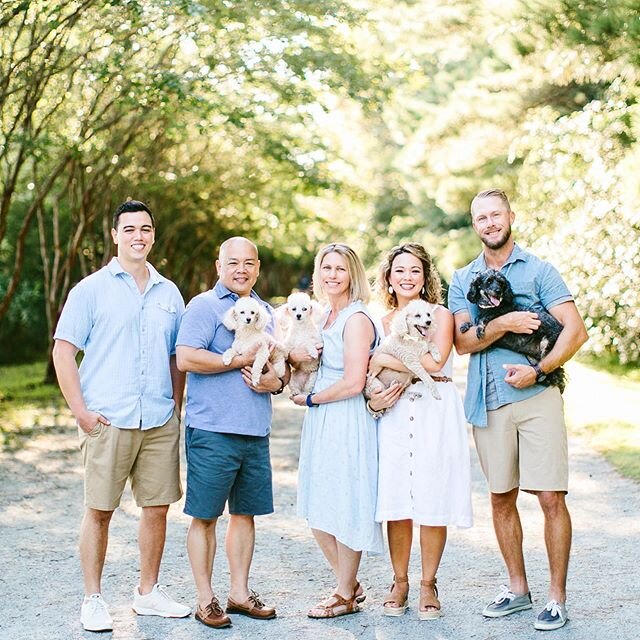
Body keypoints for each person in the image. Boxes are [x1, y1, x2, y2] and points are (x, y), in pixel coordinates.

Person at [448, 189, 588, 631]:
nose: (489, 223)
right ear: (474, 225)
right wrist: (504, 323)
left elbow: (576, 331)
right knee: (501, 497)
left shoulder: (540, 270)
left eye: (496, 215)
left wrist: (539, 369)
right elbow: (463, 341)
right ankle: (517, 590)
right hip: (487, 400)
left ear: (510, 216)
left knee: (550, 496)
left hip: (536, 397)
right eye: (481, 218)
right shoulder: (462, 278)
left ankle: (556, 598)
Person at [53, 200, 190, 633]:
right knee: (99, 510)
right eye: (129, 228)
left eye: (145, 229)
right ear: (114, 235)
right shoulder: (90, 290)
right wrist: (82, 413)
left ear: (153, 235)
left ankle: (147, 593)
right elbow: (63, 351)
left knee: (157, 509)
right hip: (108, 420)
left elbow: (176, 357)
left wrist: (176, 407)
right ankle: (93, 599)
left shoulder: (169, 292)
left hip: (158, 419)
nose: (138, 236)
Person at [176, 237, 286, 629]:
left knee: (245, 514)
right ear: (218, 265)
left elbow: (278, 368)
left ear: (257, 267)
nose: (241, 269)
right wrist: (236, 360)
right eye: (233, 262)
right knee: (205, 516)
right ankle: (206, 599)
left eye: (249, 263)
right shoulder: (203, 306)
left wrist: (275, 383)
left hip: (255, 430)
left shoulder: (266, 311)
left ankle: (239, 594)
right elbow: (187, 356)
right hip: (212, 430)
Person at [366, 243, 473, 621]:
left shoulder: (440, 315)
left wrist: (384, 357)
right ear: (389, 278)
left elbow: (435, 360)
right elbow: (371, 371)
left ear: (426, 276)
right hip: (394, 411)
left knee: (433, 494)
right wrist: (374, 396)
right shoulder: (380, 321)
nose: (407, 277)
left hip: (434, 409)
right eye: (400, 271)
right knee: (396, 497)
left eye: (415, 270)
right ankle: (399, 581)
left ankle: (429, 583)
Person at [290, 243, 383, 619]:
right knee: (317, 503)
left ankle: (344, 593)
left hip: (343, 414)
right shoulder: (325, 314)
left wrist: (312, 400)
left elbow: (353, 381)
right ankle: (350, 583)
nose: (332, 275)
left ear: (352, 275)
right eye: (326, 268)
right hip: (323, 417)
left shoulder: (356, 319)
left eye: (340, 269)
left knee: (345, 500)